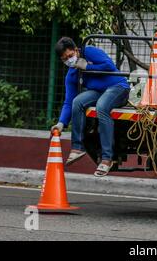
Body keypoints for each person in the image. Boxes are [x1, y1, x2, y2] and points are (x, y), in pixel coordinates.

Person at [51, 37, 130, 177]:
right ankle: (77, 148)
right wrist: (61, 123)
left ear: (76, 50)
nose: (69, 60)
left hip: (118, 87)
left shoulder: (89, 52)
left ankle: (107, 159)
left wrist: (88, 67)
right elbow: (69, 102)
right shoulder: (71, 75)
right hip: (99, 92)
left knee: (102, 106)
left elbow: (109, 65)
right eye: (65, 59)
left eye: (70, 56)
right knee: (77, 102)